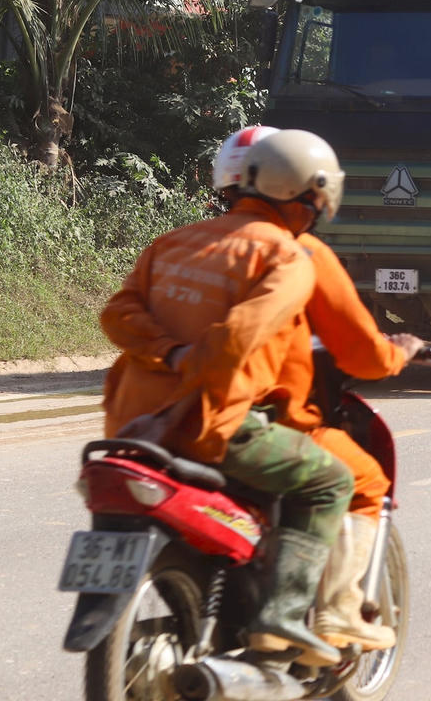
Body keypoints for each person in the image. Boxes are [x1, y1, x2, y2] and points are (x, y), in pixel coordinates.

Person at [101, 130, 355, 668]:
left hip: (129, 425)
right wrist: (188, 379)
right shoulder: (288, 257)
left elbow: (117, 314)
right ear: (312, 197)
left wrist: (169, 354)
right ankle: (281, 619)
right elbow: (240, 336)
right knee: (331, 481)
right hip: (210, 426)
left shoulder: (174, 241)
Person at [211, 126, 424, 652]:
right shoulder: (301, 255)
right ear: (310, 189)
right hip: (256, 419)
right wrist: (398, 353)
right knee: (360, 478)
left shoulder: (191, 242)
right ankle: (334, 612)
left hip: (163, 414)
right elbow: (358, 353)